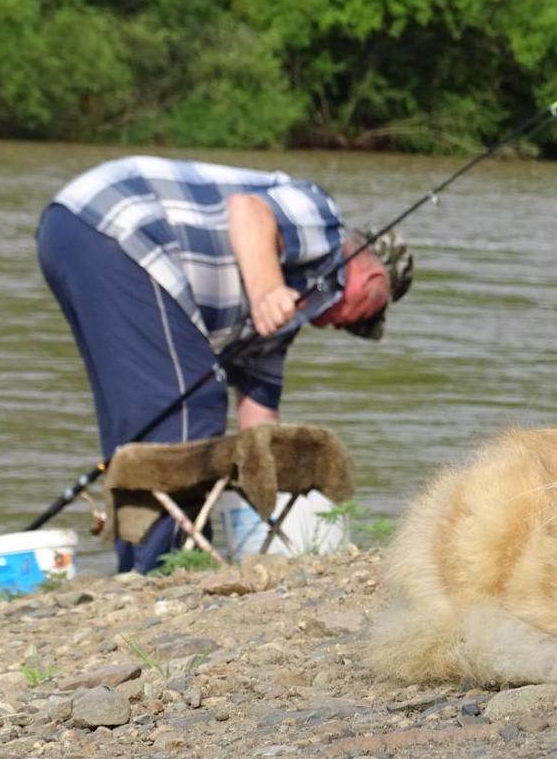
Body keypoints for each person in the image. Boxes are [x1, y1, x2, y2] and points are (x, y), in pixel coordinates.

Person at [37, 155, 409, 573]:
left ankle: (139, 567)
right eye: (362, 318)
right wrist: (267, 289)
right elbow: (250, 211)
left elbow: (260, 423)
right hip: (120, 222)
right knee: (188, 404)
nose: (347, 328)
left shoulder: (281, 325)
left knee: (142, 420)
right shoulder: (323, 218)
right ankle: (166, 570)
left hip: (69, 232)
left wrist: (275, 491)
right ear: (375, 282)